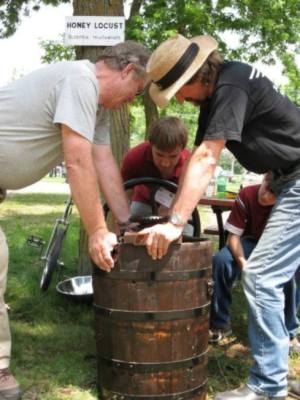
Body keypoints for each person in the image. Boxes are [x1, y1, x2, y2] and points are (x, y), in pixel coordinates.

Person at [136, 33, 300, 399]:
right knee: (273, 276)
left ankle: (266, 386)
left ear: (198, 75)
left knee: (261, 276)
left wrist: (176, 222)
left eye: (179, 89)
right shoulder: (221, 92)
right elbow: (199, 160)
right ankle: (275, 375)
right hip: (288, 177)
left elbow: (209, 158)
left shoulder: (232, 85)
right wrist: (273, 175)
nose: (179, 99)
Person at [0, 40, 150, 400]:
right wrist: (98, 231)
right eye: (137, 90)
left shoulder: (95, 105)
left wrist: (125, 224)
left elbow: (102, 161)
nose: (133, 100)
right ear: (127, 70)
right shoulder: (80, 82)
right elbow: (78, 162)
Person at [209, 176, 300, 353]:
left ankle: (289, 331)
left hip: (280, 244)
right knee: (221, 260)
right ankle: (219, 324)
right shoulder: (246, 194)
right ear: (265, 177)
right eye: (266, 185)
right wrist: (244, 263)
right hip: (250, 242)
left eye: (272, 192)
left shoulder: (291, 201)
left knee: (291, 273)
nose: (265, 194)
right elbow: (233, 237)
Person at [121, 116, 191, 221]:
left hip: (178, 203)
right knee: (131, 226)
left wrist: (170, 211)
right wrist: (121, 225)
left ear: (182, 149)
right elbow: (124, 195)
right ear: (151, 145)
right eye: (159, 154)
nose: (165, 163)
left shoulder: (190, 164)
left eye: (173, 156)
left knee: (185, 232)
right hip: (144, 201)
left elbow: (189, 197)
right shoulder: (134, 157)